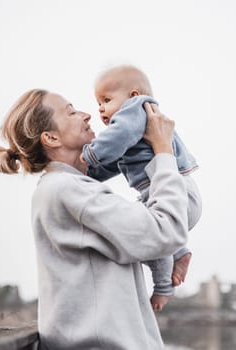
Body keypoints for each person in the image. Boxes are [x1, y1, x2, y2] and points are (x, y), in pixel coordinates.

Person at [0, 89, 189, 349]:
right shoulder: (68, 190)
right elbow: (166, 232)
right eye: (71, 112)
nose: (86, 116)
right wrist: (163, 152)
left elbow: (149, 236)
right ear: (50, 137)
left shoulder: (62, 188)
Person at [81, 65, 202, 311]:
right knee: (133, 226)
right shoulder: (135, 130)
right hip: (177, 194)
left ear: (133, 95)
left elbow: (115, 139)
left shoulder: (135, 111)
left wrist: (91, 153)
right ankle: (178, 253)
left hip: (176, 193)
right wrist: (88, 172)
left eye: (106, 100)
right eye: (99, 103)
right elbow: (112, 163)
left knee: (138, 235)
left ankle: (163, 286)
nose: (101, 108)